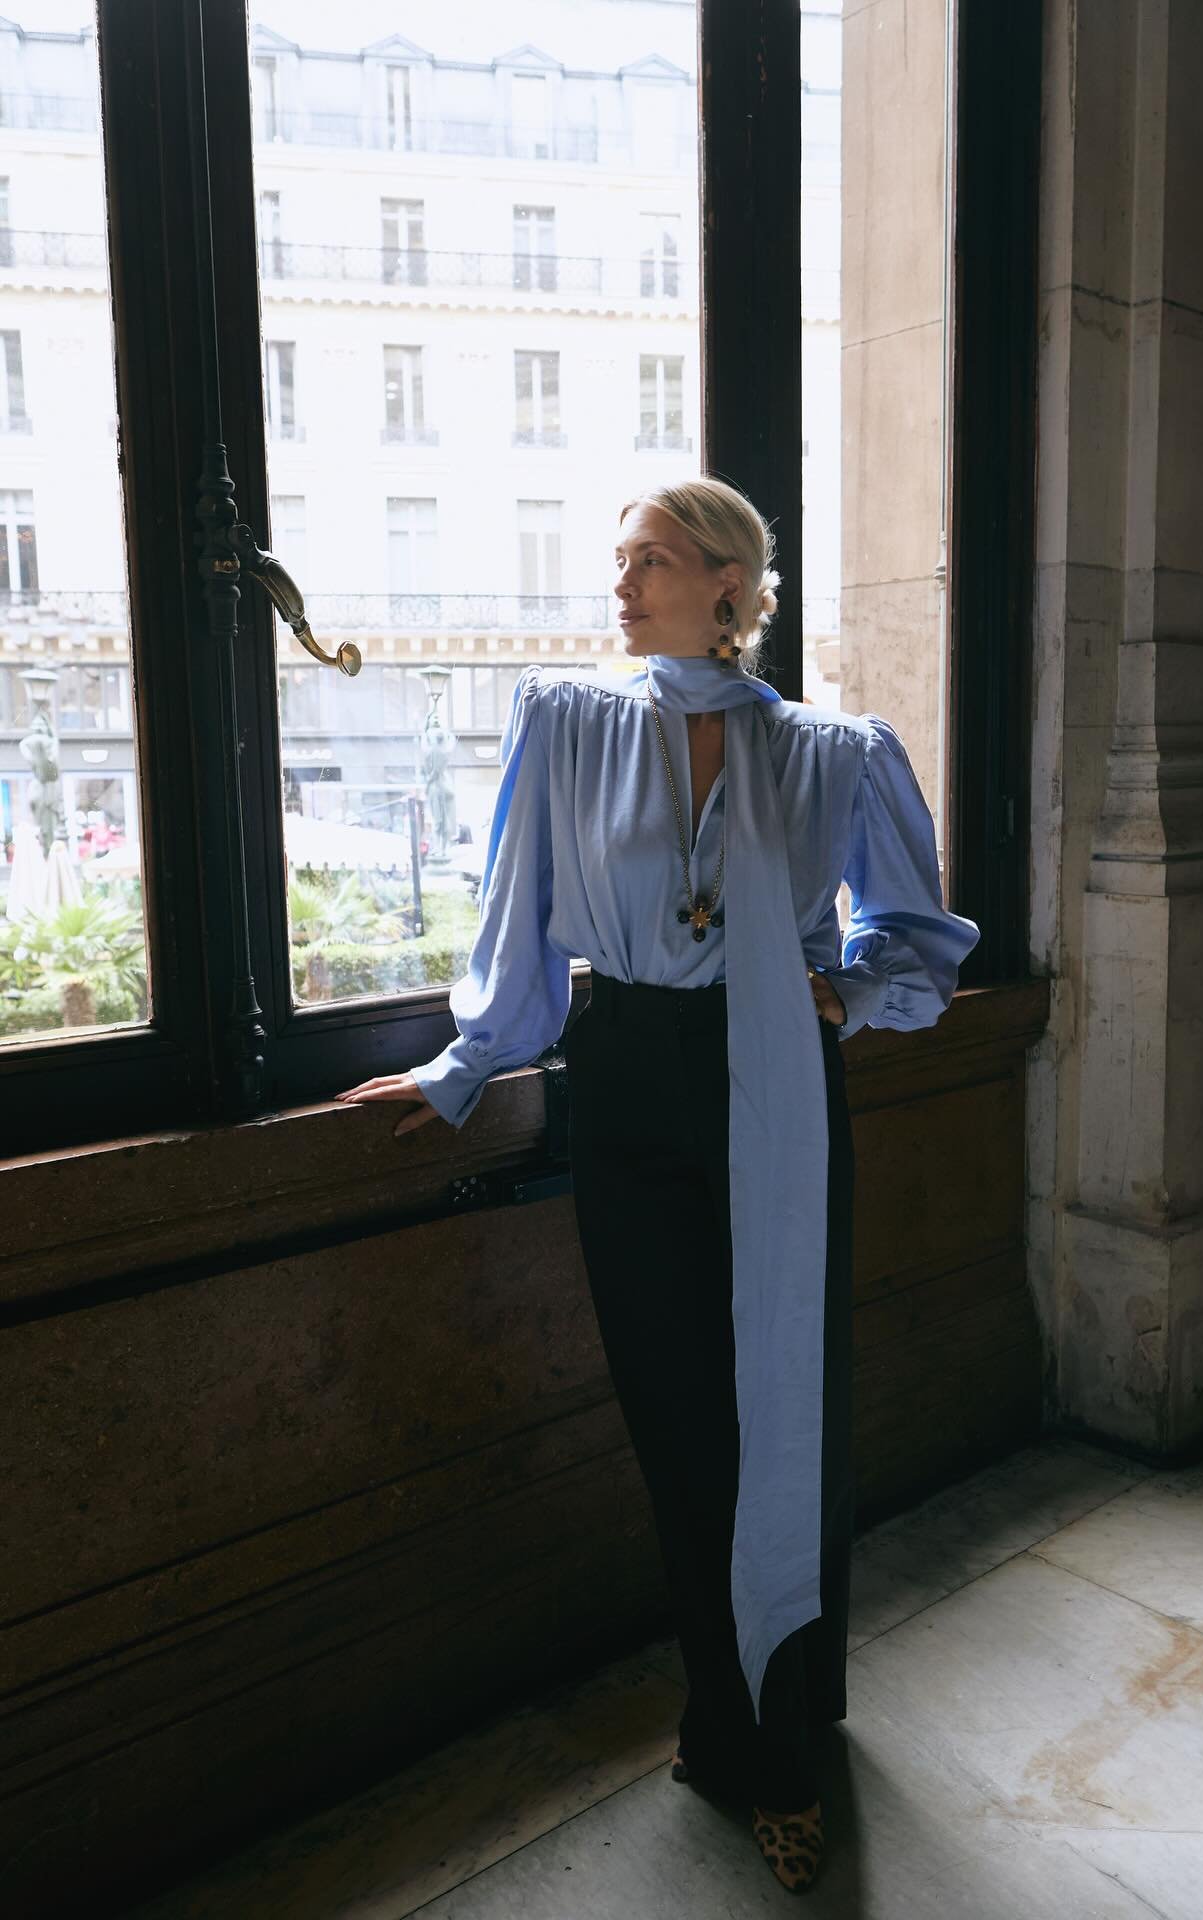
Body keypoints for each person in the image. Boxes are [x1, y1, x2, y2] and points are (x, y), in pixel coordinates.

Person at [336, 477, 980, 1895]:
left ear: (735, 587)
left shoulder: (832, 752)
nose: (620, 584)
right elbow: (519, 934)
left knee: (787, 1420)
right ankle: (730, 1728)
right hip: (626, 1079)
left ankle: (787, 1735)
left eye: (654, 560)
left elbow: (921, 940)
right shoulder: (566, 722)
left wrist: (848, 996)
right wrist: (460, 1072)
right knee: (685, 1428)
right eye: (621, 561)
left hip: (775, 1076)